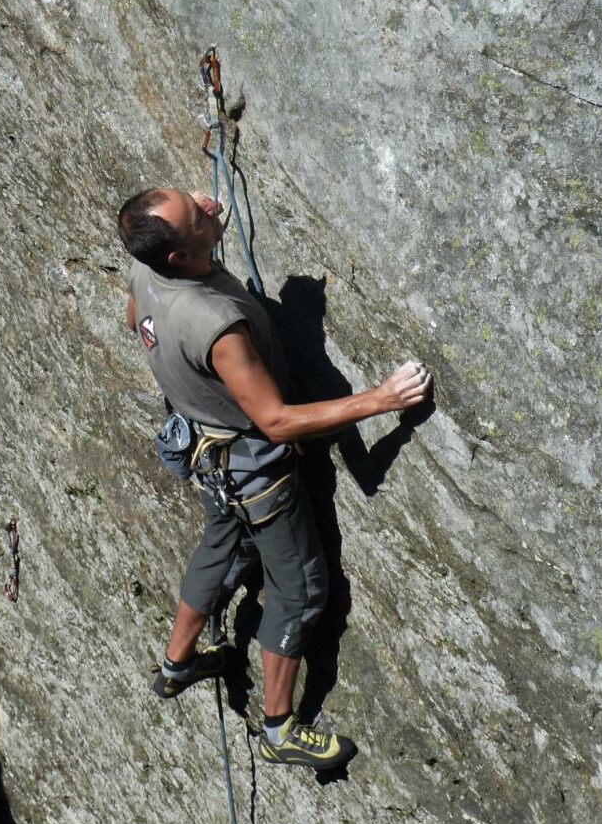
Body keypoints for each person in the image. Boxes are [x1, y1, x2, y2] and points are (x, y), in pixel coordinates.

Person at [117, 186, 433, 770]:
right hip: (256, 473)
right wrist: (383, 399)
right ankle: (280, 727)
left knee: (221, 545)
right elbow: (277, 420)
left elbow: (137, 320)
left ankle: (177, 664)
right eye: (197, 215)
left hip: (204, 455)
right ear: (178, 259)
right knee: (301, 589)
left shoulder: (146, 274)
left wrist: (202, 235)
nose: (207, 203)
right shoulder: (216, 324)